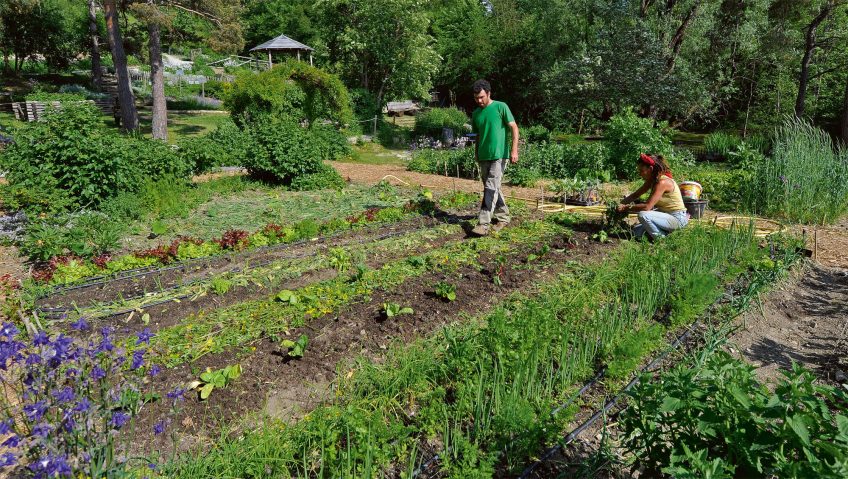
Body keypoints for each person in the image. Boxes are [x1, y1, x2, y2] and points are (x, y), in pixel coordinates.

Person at [470, 79, 519, 236]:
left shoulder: (500, 106)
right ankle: (503, 217)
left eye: (481, 97)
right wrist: (477, 154)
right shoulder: (476, 114)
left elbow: (514, 127)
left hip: (499, 155)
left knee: (490, 187)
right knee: (493, 187)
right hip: (484, 156)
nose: (479, 101)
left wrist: (514, 150)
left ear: (489, 93)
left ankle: (483, 224)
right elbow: (478, 136)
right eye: (476, 98)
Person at [617, 153, 689, 240]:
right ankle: (667, 233)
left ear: (650, 169)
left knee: (643, 215)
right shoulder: (652, 180)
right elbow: (635, 195)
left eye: (641, 170)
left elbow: (647, 207)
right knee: (636, 232)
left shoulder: (662, 182)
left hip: (676, 218)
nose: (640, 174)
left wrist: (625, 208)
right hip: (665, 215)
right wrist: (619, 204)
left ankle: (661, 239)